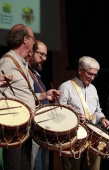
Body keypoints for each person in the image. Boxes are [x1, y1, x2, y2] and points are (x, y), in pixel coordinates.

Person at [0, 24, 61, 170]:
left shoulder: (22, 65)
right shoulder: (7, 62)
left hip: (26, 129)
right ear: (25, 40)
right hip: (14, 129)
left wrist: (43, 96)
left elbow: (22, 94)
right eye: (33, 39)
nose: (34, 43)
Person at [58, 56, 109, 170]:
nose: (92, 78)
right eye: (90, 74)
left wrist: (102, 119)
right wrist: (74, 116)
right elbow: (59, 113)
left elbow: (97, 110)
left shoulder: (93, 89)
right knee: (72, 167)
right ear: (80, 70)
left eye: (95, 75)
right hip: (73, 136)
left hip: (92, 136)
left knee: (94, 167)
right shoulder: (66, 87)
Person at [25, 40, 49, 170]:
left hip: (43, 129)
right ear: (31, 52)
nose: (44, 58)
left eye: (46, 55)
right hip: (33, 129)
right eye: (41, 54)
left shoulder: (36, 76)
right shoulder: (25, 74)